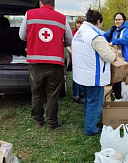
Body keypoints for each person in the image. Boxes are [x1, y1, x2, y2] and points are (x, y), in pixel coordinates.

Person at [19, 0, 72, 130]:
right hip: (55, 63)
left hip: (35, 62)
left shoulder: (29, 14)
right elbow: (69, 39)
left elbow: (22, 36)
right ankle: (52, 123)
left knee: (36, 93)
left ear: (40, 3)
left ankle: (38, 121)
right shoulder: (62, 18)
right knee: (52, 94)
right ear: (54, 5)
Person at [72, 9, 117, 136]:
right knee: (95, 102)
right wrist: (113, 53)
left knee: (87, 99)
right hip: (93, 76)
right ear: (98, 22)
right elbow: (108, 57)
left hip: (82, 75)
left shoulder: (80, 32)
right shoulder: (95, 36)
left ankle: (89, 121)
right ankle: (90, 128)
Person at [103, 12, 128, 101]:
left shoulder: (126, 30)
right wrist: (105, 42)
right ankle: (114, 92)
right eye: (116, 19)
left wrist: (113, 42)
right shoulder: (113, 29)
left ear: (123, 20)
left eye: (119, 19)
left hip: (123, 57)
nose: (117, 21)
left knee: (118, 77)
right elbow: (104, 36)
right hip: (115, 56)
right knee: (113, 75)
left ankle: (118, 97)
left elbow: (126, 39)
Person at [71, 16, 84, 104]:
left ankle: (81, 92)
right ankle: (76, 96)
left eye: (81, 23)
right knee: (76, 77)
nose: (79, 25)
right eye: (78, 23)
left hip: (82, 58)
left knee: (82, 76)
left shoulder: (84, 33)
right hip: (75, 58)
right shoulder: (73, 33)